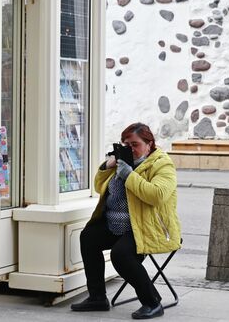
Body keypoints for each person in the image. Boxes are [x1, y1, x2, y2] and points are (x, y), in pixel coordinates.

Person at [71, 122, 181, 320]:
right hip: (116, 224)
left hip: (147, 228)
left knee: (120, 254)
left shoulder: (162, 164)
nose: (130, 148)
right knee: (88, 237)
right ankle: (97, 297)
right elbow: (98, 187)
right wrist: (107, 167)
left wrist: (129, 175)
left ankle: (152, 302)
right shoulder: (124, 161)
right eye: (126, 144)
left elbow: (157, 195)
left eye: (135, 144)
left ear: (149, 144)